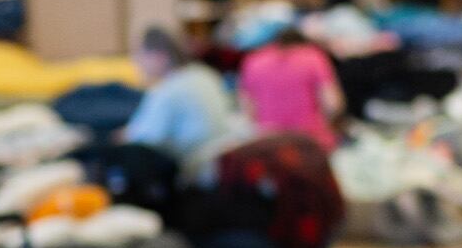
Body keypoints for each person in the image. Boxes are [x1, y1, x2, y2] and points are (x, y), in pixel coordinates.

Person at [122, 28, 242, 171]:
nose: (137, 62)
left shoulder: (167, 90)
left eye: (140, 54)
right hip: (224, 158)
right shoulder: (206, 74)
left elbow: (141, 140)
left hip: (197, 169)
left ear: (160, 56)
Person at [232, 23, 342, 151]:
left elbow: (247, 107)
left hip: (270, 141)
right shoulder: (313, 56)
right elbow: (332, 104)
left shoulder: (253, 60)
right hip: (310, 140)